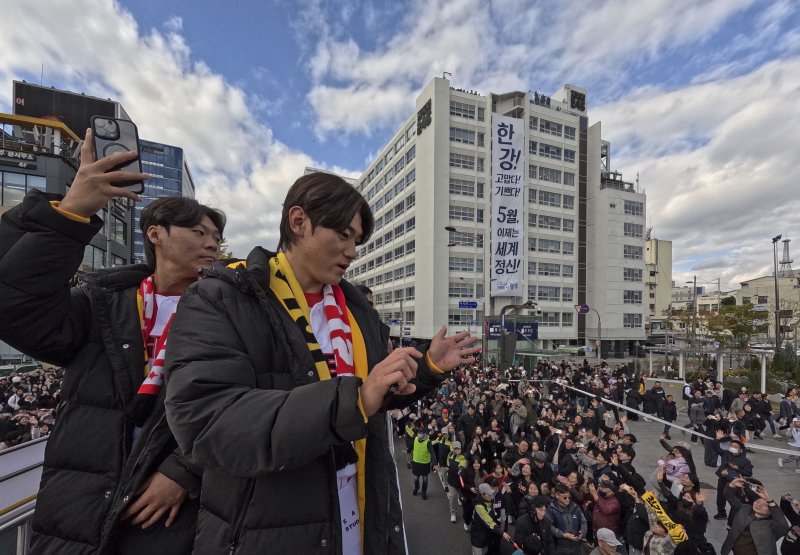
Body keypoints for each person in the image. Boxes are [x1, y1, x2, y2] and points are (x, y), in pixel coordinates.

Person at [164, 172, 479, 554]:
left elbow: (377, 399)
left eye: (357, 241)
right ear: (298, 222)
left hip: (361, 507)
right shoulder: (224, 298)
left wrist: (426, 367)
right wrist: (352, 402)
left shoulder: (359, 310)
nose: (352, 251)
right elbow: (205, 421)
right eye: (343, 235)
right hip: (268, 526)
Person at [0, 131, 224, 553]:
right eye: (198, 231)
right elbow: (15, 309)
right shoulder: (101, 303)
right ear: (155, 234)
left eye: (216, 236)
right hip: (79, 517)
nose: (211, 242)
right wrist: (69, 216)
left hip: (177, 517)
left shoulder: (227, 311)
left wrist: (185, 471)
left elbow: (239, 403)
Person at [720, 482, 789, 555]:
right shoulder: (744, 509)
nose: (759, 505)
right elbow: (729, 496)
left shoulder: (771, 525)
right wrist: (731, 486)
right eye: (758, 501)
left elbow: (783, 527)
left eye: (764, 506)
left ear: (770, 511)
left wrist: (769, 500)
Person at [470, 483, 512, 555]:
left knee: (485, 551)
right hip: (478, 536)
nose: (491, 496)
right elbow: (489, 522)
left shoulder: (489, 500)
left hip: (487, 534)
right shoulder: (479, 506)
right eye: (489, 494)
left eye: (491, 494)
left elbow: (495, 512)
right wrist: (502, 533)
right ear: (482, 494)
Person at [547, 483, 587, 555]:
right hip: (560, 548)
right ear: (557, 495)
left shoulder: (575, 507)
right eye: (565, 497)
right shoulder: (551, 509)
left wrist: (582, 533)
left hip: (576, 546)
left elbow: (583, 521)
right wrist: (563, 535)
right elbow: (549, 526)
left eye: (569, 497)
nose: (568, 500)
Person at [411, 427, 436, 500]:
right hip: (416, 462)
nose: (419, 435)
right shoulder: (415, 439)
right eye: (418, 433)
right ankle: (416, 487)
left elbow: (432, 453)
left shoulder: (428, 442)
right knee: (416, 478)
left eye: (421, 433)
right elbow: (412, 446)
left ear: (424, 434)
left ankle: (424, 492)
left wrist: (434, 463)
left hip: (425, 463)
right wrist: (408, 450)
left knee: (425, 479)